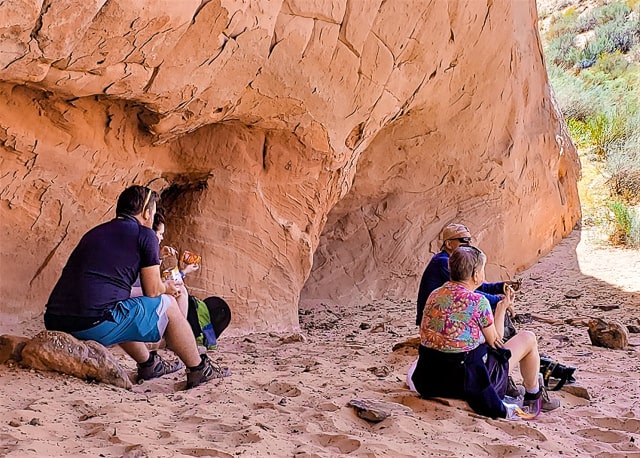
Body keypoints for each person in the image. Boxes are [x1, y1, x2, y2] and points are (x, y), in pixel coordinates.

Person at [44, 185, 224, 389]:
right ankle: (199, 369)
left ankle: (150, 365)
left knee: (123, 307)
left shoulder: (95, 232)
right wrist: (168, 287)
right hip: (91, 323)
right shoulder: (144, 234)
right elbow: (153, 290)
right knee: (167, 304)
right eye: (153, 212)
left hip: (55, 319)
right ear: (147, 212)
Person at [410, 246, 560, 418]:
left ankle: (526, 391)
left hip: (431, 378)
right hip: (465, 381)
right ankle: (534, 395)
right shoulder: (478, 302)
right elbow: (496, 341)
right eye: (482, 270)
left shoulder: (435, 295)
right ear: (475, 274)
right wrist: (502, 307)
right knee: (528, 338)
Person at [416, 223, 520, 327]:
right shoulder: (444, 262)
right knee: (490, 308)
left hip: (443, 311)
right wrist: (501, 302)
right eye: (464, 241)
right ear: (448, 244)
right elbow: (467, 292)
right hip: (437, 317)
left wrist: (502, 287)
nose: (469, 245)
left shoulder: (450, 261)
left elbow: (475, 285)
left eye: (470, 240)